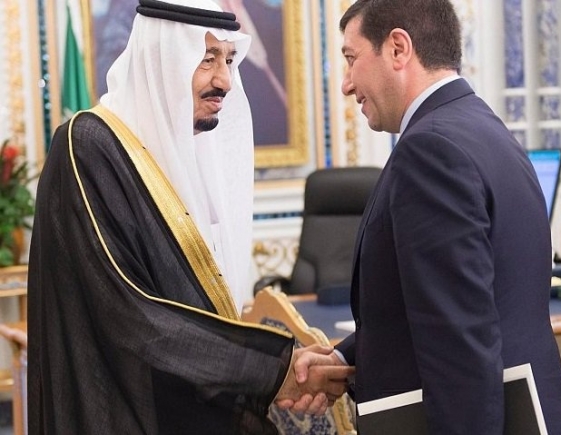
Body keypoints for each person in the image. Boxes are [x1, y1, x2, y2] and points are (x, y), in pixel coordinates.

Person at [27, 0, 352, 434]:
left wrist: (274, 370)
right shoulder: (88, 145)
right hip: (122, 407)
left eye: (229, 60)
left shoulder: (185, 157)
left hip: (187, 397)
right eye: (207, 59)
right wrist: (271, 370)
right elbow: (130, 315)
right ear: (161, 59)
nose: (225, 81)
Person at [294, 1, 561, 434]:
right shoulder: (485, 128)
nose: (347, 84)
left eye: (351, 58)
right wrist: (345, 358)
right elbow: (456, 307)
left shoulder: (429, 151)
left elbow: (459, 348)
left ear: (398, 48)